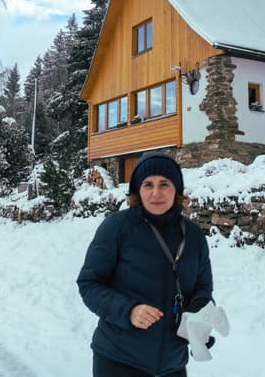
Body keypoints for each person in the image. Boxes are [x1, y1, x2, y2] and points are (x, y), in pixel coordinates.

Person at [77, 152, 214, 377]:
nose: (156, 193)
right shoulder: (117, 228)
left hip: (173, 364)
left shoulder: (194, 236)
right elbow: (89, 284)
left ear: (176, 190)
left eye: (164, 184)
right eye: (148, 184)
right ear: (137, 190)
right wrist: (128, 311)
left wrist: (199, 318)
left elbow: (203, 289)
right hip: (119, 360)